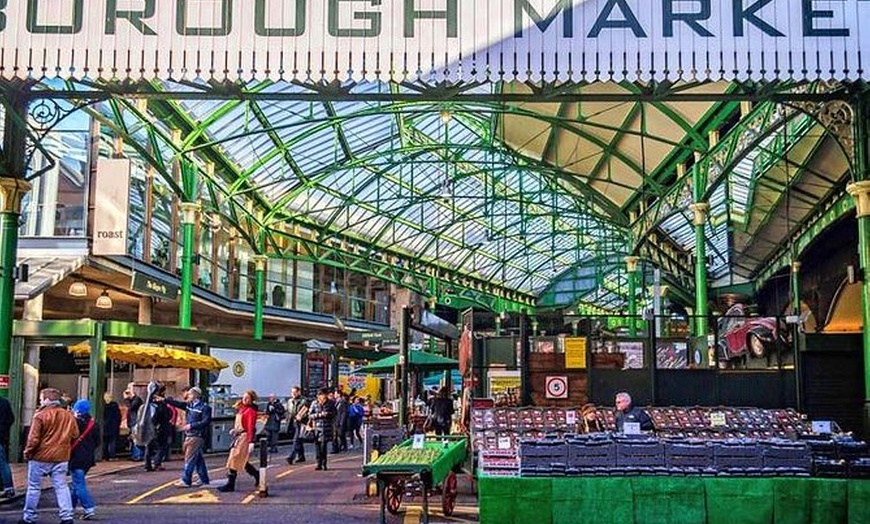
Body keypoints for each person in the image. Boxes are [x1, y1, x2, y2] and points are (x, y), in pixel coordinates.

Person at [20, 388, 79, 524]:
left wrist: (27, 452)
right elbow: (75, 434)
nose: (40, 401)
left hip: (40, 457)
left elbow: (33, 439)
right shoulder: (68, 415)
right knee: (61, 486)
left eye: (41, 398)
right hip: (61, 456)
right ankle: (67, 517)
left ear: (46, 400)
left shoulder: (40, 415)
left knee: (34, 487)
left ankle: (29, 517)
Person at [165, 386, 212, 488]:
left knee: (189, 458)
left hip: (197, 435)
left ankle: (186, 480)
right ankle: (204, 479)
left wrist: (191, 426)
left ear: (195, 395)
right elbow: (178, 404)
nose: (187, 396)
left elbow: (206, 422)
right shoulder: (189, 405)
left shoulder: (204, 408)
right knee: (198, 458)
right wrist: (164, 400)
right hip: (190, 435)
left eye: (190, 394)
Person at [217, 390, 260, 492]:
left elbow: (250, 427)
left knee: (235, 458)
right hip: (239, 436)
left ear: (252, 400)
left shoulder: (250, 412)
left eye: (247, 398)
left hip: (244, 438)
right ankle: (257, 475)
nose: (244, 399)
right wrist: (235, 430)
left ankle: (230, 484)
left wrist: (251, 442)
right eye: (244, 397)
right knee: (241, 460)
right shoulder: (242, 409)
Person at [69, 400, 100, 521]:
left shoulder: (74, 423)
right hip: (88, 458)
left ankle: (89, 508)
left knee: (78, 484)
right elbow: (97, 442)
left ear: (77, 410)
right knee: (76, 484)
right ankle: (69, 507)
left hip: (76, 457)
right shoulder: (93, 423)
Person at [144, 384, 172, 472]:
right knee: (162, 446)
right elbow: (166, 415)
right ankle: (157, 463)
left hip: (149, 427)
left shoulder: (147, 404)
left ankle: (147, 464)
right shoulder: (161, 404)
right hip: (161, 427)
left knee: (149, 446)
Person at [308, 388, 336, 471]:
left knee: (323, 447)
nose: (322, 397)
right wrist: (319, 415)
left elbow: (335, 413)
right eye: (321, 395)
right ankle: (318, 463)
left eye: (324, 395)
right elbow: (310, 415)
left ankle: (324, 463)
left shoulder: (331, 403)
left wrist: (328, 414)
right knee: (317, 447)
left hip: (326, 428)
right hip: (316, 428)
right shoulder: (314, 403)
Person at [285, 386, 309, 465]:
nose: (293, 394)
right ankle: (301, 456)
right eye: (292, 392)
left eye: (295, 392)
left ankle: (291, 457)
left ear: (299, 392)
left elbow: (306, 411)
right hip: (293, 422)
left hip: (301, 423)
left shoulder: (304, 401)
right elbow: (288, 412)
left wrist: (301, 416)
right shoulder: (290, 401)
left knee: (296, 440)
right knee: (299, 440)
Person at [0, 394, 15, 498]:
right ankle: (8, 488)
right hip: (1, 436)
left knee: (2, 463)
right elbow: (11, 419)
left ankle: (8, 487)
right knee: (2, 463)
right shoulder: (4, 402)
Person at [123, 387, 143, 461]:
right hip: (132, 422)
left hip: (135, 422)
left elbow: (131, 407)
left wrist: (126, 399)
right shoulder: (133, 400)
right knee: (133, 439)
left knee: (136, 439)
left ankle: (138, 455)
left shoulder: (137, 400)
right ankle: (135, 454)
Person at [102, 392, 121, 460]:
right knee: (112, 441)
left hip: (104, 425)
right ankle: (112, 455)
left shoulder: (102, 405)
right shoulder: (114, 405)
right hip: (113, 425)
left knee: (105, 441)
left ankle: (104, 455)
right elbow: (118, 416)